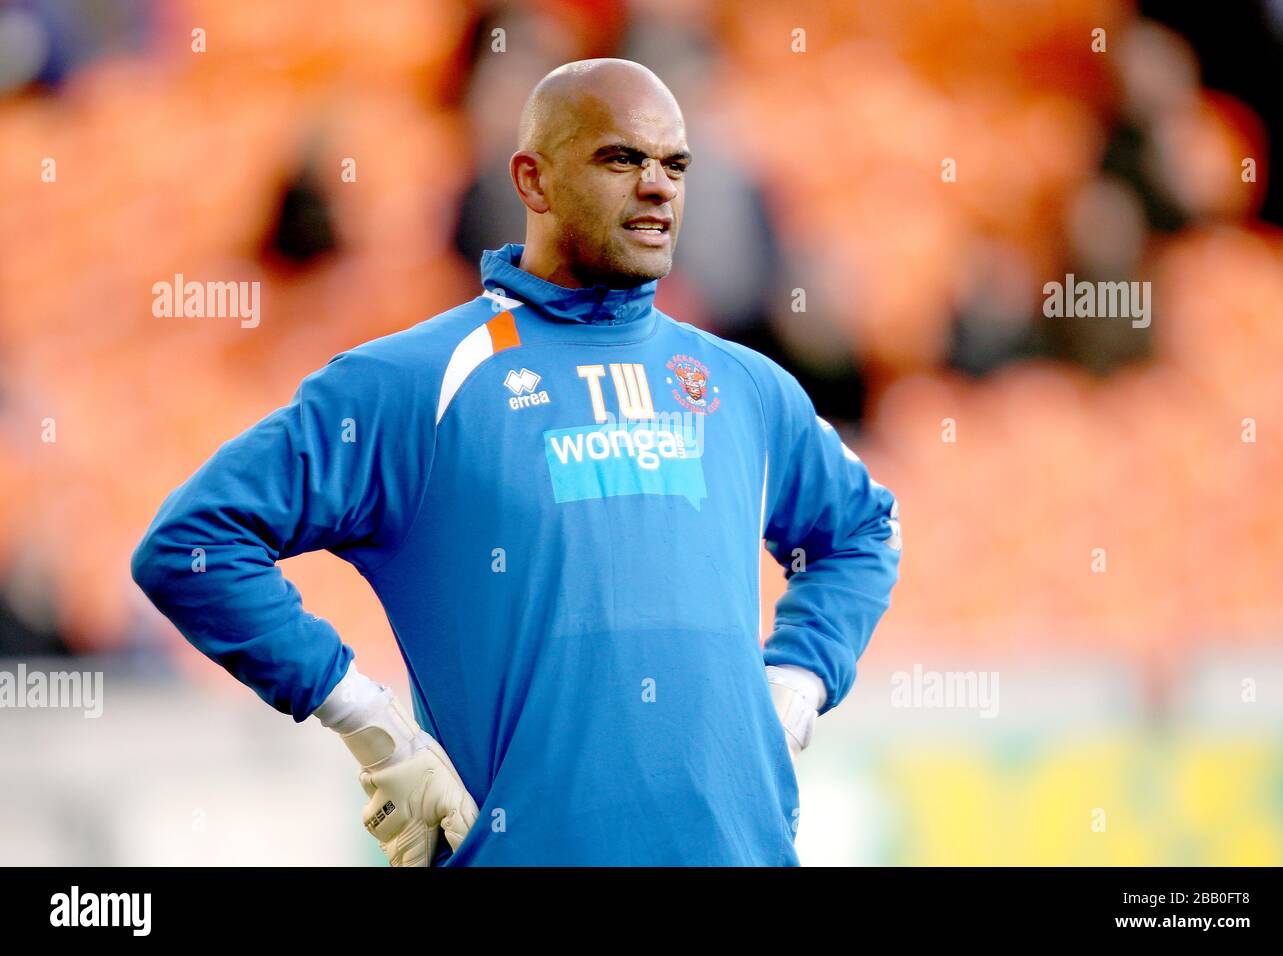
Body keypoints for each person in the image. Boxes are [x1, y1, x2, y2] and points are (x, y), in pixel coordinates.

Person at [131, 58, 901, 866]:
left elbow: (859, 530)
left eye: (675, 164)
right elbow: (195, 545)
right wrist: (369, 724)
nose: (659, 187)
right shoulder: (417, 383)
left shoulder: (740, 385)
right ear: (531, 180)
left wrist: (798, 682)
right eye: (621, 159)